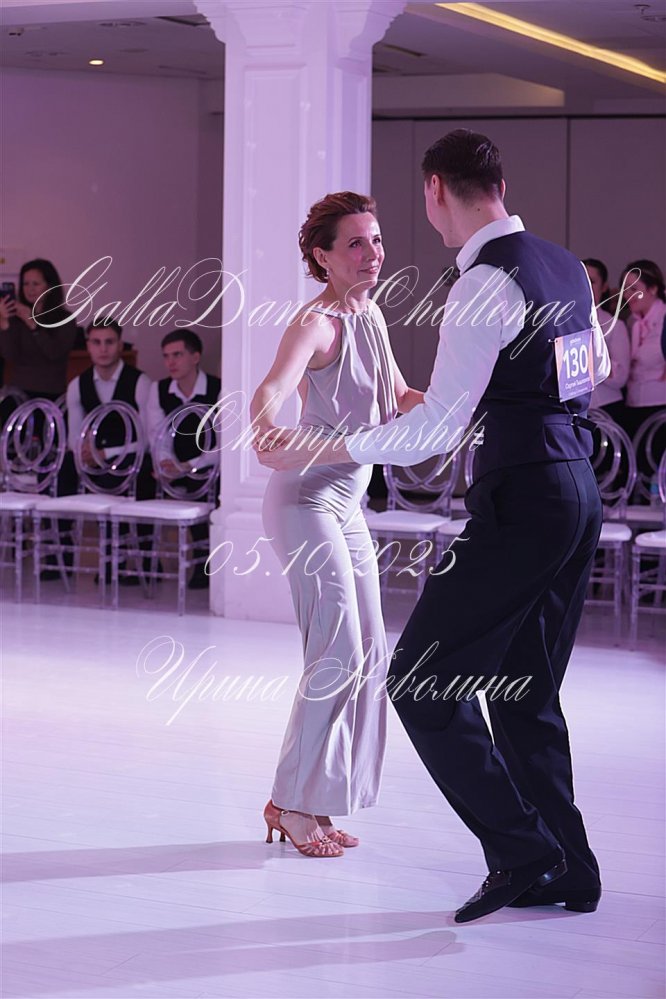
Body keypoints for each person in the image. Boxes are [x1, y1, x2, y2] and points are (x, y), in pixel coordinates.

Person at [257, 131, 611, 920]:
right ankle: (568, 865)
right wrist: (519, 406)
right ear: (501, 184)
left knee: (418, 679)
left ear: (435, 189)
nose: (376, 252)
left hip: (522, 498)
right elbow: (596, 369)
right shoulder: (563, 265)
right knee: (525, 689)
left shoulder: (481, 282)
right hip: (576, 490)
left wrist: (332, 445)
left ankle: (524, 852)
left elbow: (436, 425)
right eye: (357, 242)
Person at [252, 192, 423, 858]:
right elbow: (273, 387)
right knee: (337, 651)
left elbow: (397, 396)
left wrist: (462, 403)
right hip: (304, 502)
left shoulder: (370, 314)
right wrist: (266, 421)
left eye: (375, 239)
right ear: (322, 257)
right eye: (355, 243)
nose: (371, 253)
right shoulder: (317, 323)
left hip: (348, 504)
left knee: (369, 652)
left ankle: (316, 800)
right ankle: (290, 802)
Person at [64, 317, 154, 585]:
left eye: (109, 342)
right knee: (63, 472)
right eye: (96, 342)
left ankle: (135, 562)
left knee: (132, 471)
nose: (103, 349)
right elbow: (73, 437)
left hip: (130, 456)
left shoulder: (140, 382)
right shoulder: (77, 385)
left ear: (120, 344)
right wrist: (85, 453)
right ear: (88, 346)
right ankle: (60, 562)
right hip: (92, 459)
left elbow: (147, 440)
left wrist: (108, 454)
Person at [145, 330, 221, 589]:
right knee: (145, 479)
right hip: (174, 462)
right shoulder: (159, 389)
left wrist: (189, 466)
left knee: (205, 484)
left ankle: (203, 563)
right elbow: (158, 435)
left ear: (195, 357)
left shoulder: (218, 389)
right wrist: (166, 463)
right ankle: (148, 562)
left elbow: (224, 445)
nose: (171, 362)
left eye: (177, 355)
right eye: (166, 356)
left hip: (207, 464)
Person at [0, 258, 79, 403]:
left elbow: (54, 353)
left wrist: (32, 324)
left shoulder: (65, 318)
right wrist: (4, 322)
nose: (30, 289)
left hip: (51, 393)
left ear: (49, 286)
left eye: (35, 284)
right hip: (19, 392)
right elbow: (10, 355)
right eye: (25, 284)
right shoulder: (17, 317)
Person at [619, 259, 666, 440]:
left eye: (633, 289)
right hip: (633, 402)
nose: (627, 295)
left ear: (653, 289)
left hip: (660, 404)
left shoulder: (663, 319)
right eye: (625, 289)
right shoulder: (632, 321)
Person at [583, 258, 630, 424]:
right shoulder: (562, 322)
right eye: (581, 279)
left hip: (606, 407)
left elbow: (620, 377)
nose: (586, 286)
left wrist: (589, 360)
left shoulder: (614, 325)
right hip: (574, 409)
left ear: (603, 287)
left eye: (592, 281)